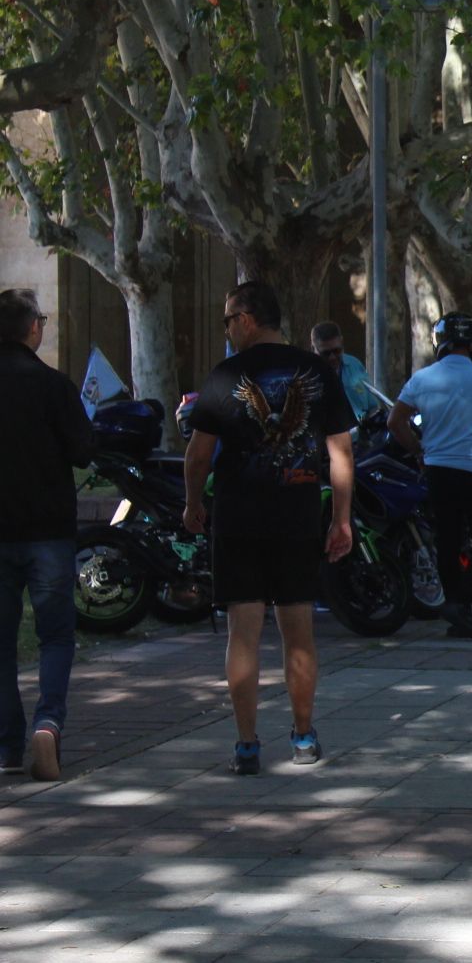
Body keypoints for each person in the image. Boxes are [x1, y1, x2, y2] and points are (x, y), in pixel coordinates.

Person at [184, 282, 355, 773]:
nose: (227, 330)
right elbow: (341, 452)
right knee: (298, 631)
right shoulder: (318, 371)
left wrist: (194, 504)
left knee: (243, 632)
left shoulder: (226, 375)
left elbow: (197, 456)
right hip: (297, 514)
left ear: (247, 318)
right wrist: (341, 518)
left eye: (227, 321)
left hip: (237, 517)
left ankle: (246, 745)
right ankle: (303, 737)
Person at [0, 289, 92, 781]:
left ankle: (7, 744)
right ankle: (48, 723)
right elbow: (83, 451)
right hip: (48, 530)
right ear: (32, 328)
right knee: (56, 636)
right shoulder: (54, 385)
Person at [389, 312, 472, 641]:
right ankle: (462, 602)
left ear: (438, 343)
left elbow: (395, 421)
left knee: (448, 540)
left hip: (438, 469)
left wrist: (418, 450)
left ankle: (458, 608)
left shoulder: (421, 379)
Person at [310, 322, 378, 418]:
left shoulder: (354, 364)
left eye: (337, 351)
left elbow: (373, 406)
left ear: (341, 343)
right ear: (313, 348)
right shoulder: (307, 375)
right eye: (326, 353)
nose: (332, 357)